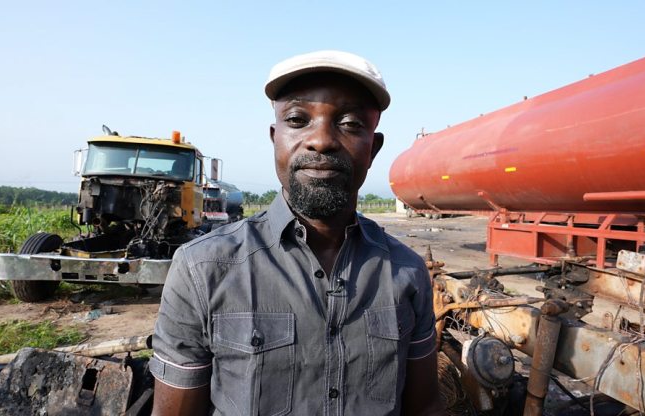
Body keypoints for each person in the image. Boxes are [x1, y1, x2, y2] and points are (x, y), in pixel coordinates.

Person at [150, 50, 444, 416]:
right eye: (297, 119)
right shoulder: (201, 268)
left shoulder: (407, 272)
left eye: (350, 123)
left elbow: (425, 407)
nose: (321, 140)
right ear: (275, 138)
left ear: (374, 148)